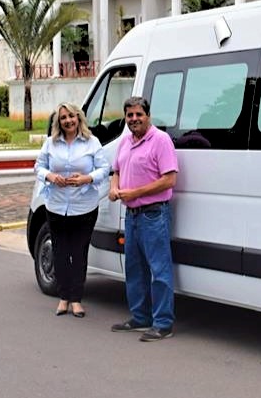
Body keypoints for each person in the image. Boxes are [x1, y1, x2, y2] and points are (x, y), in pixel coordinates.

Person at [109, 96, 179, 342]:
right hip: (131, 215)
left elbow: (169, 179)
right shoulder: (125, 142)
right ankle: (140, 317)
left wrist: (136, 192)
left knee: (159, 269)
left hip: (153, 214)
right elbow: (116, 170)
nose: (134, 119)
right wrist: (114, 187)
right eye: (130, 115)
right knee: (134, 268)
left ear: (148, 115)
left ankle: (163, 323)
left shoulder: (160, 140)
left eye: (139, 114)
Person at [34, 102, 110, 318]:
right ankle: (63, 297)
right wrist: (51, 176)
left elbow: (104, 169)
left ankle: (76, 299)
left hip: (84, 207)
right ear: (59, 122)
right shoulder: (51, 143)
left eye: (71, 116)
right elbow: (38, 166)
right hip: (57, 206)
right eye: (63, 118)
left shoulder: (91, 142)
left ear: (79, 118)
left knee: (78, 254)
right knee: (60, 253)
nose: (68, 121)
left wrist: (87, 178)